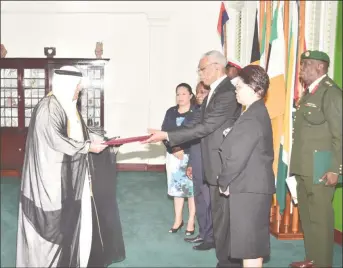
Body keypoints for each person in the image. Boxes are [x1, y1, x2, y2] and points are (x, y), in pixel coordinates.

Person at [16, 66, 126, 267]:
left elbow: (81, 132)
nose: (78, 92)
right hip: (51, 180)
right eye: (76, 87)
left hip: (72, 175)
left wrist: (106, 141)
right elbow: (57, 140)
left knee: (76, 220)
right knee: (53, 227)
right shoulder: (48, 108)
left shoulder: (68, 105)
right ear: (65, 85)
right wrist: (87, 147)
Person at [144, 50, 242, 267]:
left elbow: (206, 127)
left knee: (225, 217)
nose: (200, 74)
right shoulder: (213, 93)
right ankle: (223, 259)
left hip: (221, 163)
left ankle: (229, 262)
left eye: (202, 69)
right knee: (217, 213)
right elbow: (193, 120)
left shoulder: (226, 92)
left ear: (216, 67)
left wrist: (168, 135)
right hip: (208, 161)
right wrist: (167, 133)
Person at [217, 65, 275, 268]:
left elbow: (237, 157)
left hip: (250, 189)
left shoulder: (252, 116)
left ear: (253, 88)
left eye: (239, 86)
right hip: (252, 187)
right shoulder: (254, 112)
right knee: (249, 246)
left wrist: (223, 181)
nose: (236, 90)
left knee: (250, 249)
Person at [289, 50, 342, 268]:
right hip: (304, 165)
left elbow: (340, 134)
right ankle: (312, 259)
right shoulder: (309, 93)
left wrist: (334, 169)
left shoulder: (331, 94)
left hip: (321, 165)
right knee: (308, 218)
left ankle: (323, 264)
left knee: (320, 219)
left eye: (305, 65)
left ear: (320, 67)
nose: (301, 70)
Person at [161, 83, 197, 235]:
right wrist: (175, 149)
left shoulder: (196, 112)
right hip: (174, 157)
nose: (180, 97)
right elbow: (164, 134)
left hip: (192, 156)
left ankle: (191, 221)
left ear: (190, 95)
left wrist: (185, 150)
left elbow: (197, 135)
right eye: (178, 94)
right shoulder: (171, 112)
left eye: (183, 94)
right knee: (177, 191)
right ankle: (178, 220)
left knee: (191, 192)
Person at [184, 81, 214, 250]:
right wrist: (190, 163)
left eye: (204, 92)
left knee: (210, 203)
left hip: (208, 166)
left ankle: (211, 238)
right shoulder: (196, 112)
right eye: (198, 92)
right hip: (196, 162)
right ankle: (203, 234)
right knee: (200, 202)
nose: (200, 95)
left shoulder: (211, 115)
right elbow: (192, 141)